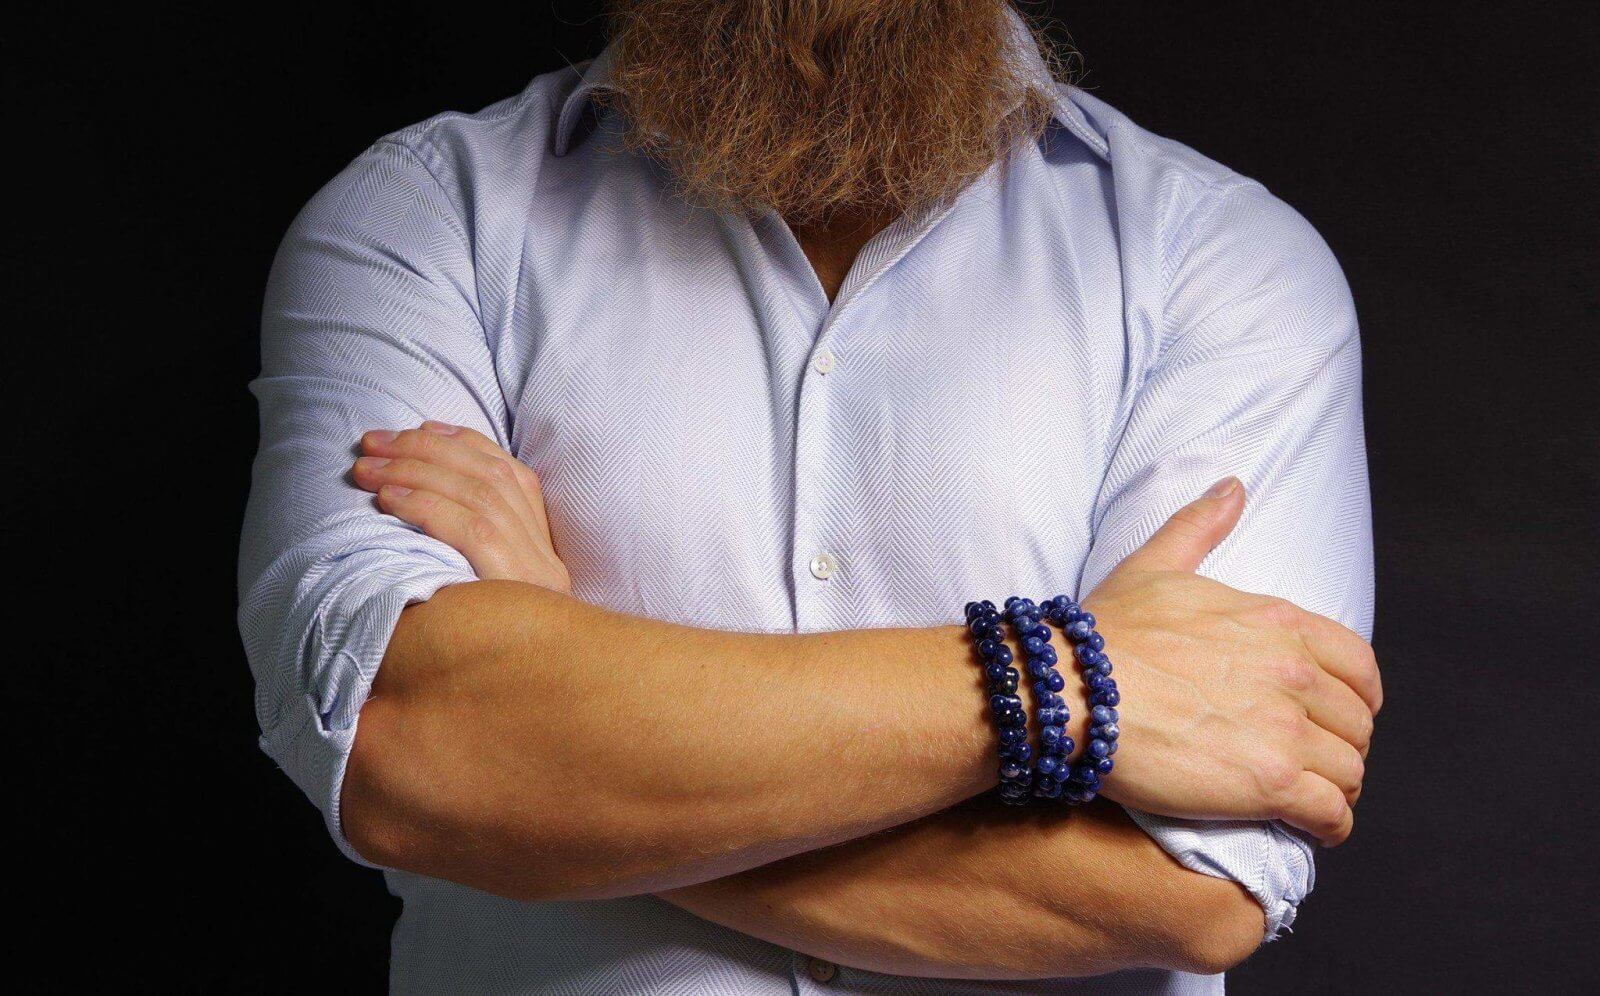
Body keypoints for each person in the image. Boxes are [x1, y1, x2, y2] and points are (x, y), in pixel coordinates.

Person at [238, 1, 1380, 991]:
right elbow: (409, 749)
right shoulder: (424, 216)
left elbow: (1189, 894)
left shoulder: (1220, 260)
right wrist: (1072, 679)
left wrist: (557, 765)